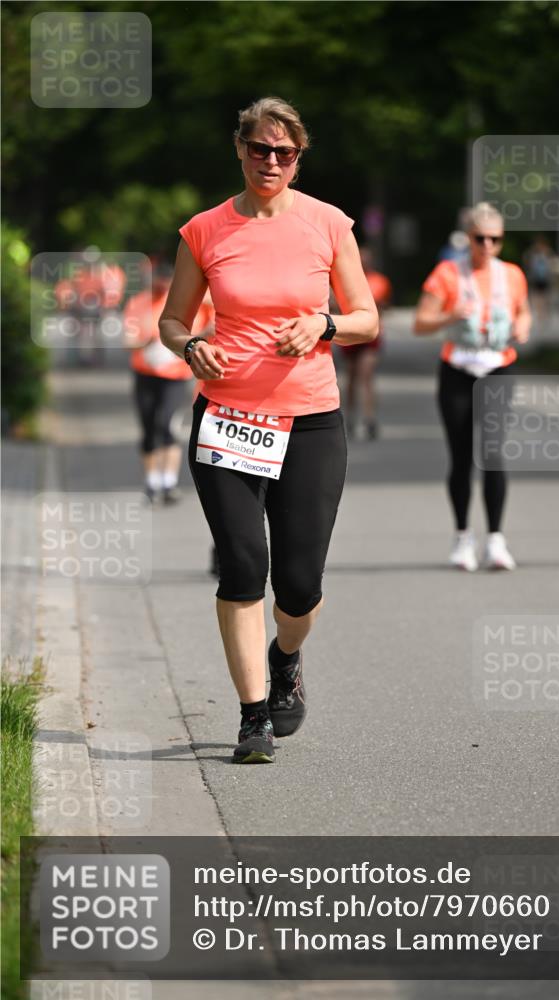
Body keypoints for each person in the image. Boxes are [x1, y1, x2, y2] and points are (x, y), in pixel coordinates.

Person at [158, 97, 378, 763]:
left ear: (298, 156)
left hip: (309, 421)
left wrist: (325, 324)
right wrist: (190, 344)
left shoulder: (328, 225)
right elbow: (171, 321)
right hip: (226, 418)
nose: (271, 161)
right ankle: (252, 715)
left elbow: (365, 315)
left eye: (284, 152)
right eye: (260, 149)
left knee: (300, 582)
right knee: (242, 563)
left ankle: (286, 655)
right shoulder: (205, 230)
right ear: (240, 149)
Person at [413, 202, 531, 571]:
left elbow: (523, 309)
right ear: (469, 238)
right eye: (480, 238)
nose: (487, 245)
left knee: (492, 452)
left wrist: (525, 325)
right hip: (458, 370)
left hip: (498, 367)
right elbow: (420, 322)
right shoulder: (448, 274)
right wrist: (450, 315)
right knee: (461, 456)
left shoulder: (511, 274)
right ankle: (463, 536)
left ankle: (496, 539)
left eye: (495, 239)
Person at [124, 259, 214, 503]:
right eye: (158, 285)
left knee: (167, 423)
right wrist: (146, 341)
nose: (162, 289)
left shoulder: (186, 301)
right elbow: (127, 339)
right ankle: (152, 482)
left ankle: (169, 482)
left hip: (176, 376)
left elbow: (217, 318)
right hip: (145, 374)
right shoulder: (138, 303)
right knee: (149, 427)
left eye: (167, 284)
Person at [338, 246, 392, 439]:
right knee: (351, 378)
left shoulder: (380, 281)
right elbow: (333, 303)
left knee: (366, 375)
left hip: (370, 335)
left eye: (367, 260)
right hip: (350, 331)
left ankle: (369, 419)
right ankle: (350, 418)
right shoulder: (344, 279)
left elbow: (386, 305)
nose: (364, 263)